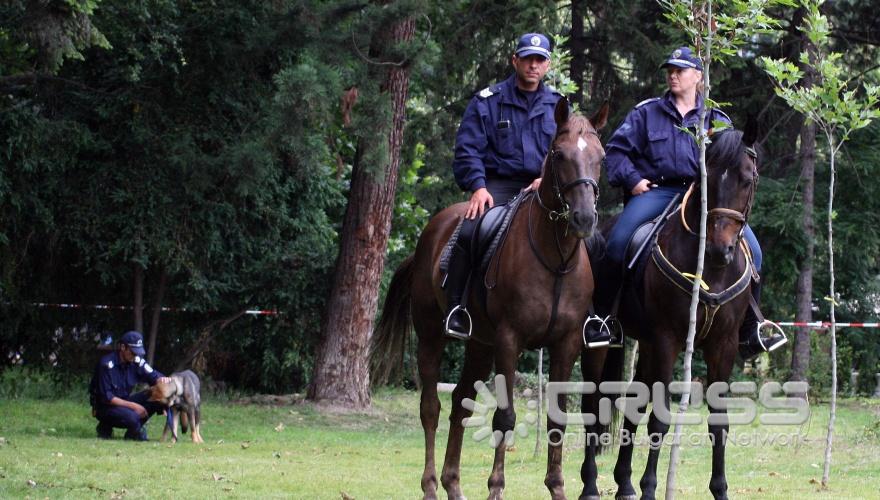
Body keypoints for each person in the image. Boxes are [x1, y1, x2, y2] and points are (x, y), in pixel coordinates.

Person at [585, 46, 786, 359]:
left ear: (698, 77)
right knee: (618, 242)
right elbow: (616, 151)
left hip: (706, 198)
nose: (673, 74)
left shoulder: (717, 120)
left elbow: (734, 165)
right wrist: (634, 180)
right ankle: (602, 320)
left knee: (755, 253)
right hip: (657, 192)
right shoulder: (646, 112)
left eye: (681, 69)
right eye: (670, 69)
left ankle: (751, 327)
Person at [443, 32, 563, 339]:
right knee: (470, 231)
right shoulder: (487, 101)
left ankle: (589, 314)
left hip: (541, 188)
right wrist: (478, 186)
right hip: (498, 185)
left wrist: (546, 177)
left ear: (547, 65)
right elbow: (468, 149)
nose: (533, 66)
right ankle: (457, 308)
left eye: (539, 60)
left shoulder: (559, 105)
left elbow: (567, 150)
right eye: (527, 59)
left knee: (586, 239)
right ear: (515, 60)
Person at [89, 330, 170, 440]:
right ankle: (106, 426)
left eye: (137, 353)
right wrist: (135, 406)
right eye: (132, 352)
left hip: (125, 401)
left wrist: (164, 382)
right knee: (133, 417)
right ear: (123, 347)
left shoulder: (136, 361)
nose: (135, 355)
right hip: (106, 407)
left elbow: (154, 377)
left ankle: (132, 433)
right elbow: (107, 398)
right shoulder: (106, 365)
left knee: (155, 396)